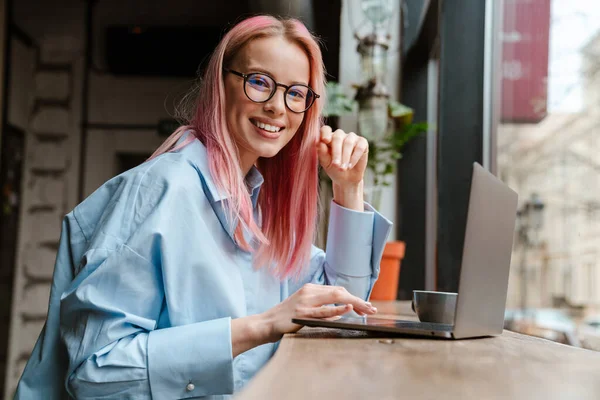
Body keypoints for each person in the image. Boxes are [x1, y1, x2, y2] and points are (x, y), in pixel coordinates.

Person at [14, 14, 392, 399]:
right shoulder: (163, 188)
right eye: (259, 82)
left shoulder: (258, 204)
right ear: (221, 85)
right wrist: (263, 325)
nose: (278, 106)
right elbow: (96, 374)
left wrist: (349, 187)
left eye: (296, 93)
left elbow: (343, 315)